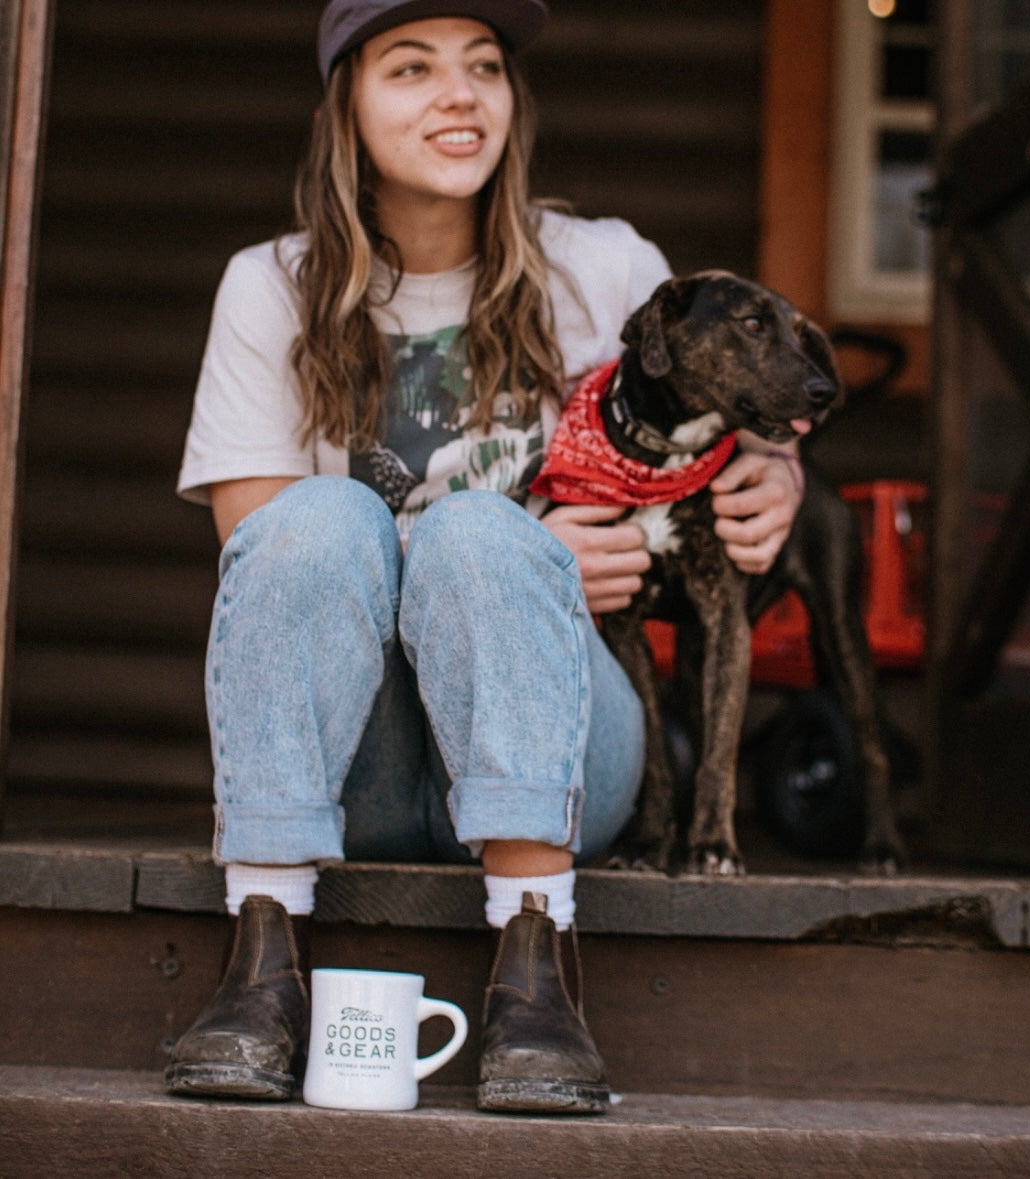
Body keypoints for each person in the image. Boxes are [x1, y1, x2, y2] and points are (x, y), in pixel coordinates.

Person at [167, 0, 803, 1115]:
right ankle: (262, 958)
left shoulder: (605, 267)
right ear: (342, 111)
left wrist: (775, 469)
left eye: (484, 66)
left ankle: (536, 971)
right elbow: (259, 552)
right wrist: (533, 548)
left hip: (562, 742)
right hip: (354, 758)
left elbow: (733, 397)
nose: (460, 94)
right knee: (336, 518)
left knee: (476, 532)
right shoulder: (268, 284)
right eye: (411, 68)